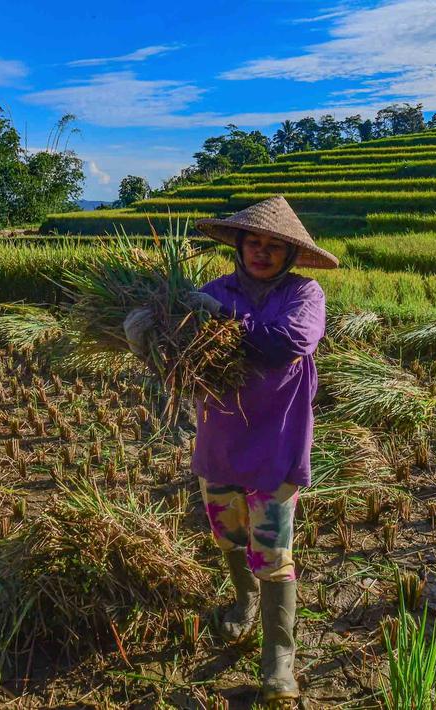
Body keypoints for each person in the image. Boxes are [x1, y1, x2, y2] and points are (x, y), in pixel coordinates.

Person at [124, 196, 338, 702]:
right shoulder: (213, 289)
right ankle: (244, 602)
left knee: (274, 551)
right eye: (254, 243)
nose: (262, 252)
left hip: (277, 441)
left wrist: (222, 320)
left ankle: (278, 657)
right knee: (229, 533)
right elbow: (181, 359)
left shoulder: (305, 295)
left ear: (289, 255)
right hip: (219, 437)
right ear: (239, 246)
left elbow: (287, 343)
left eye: (273, 247)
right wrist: (147, 339)